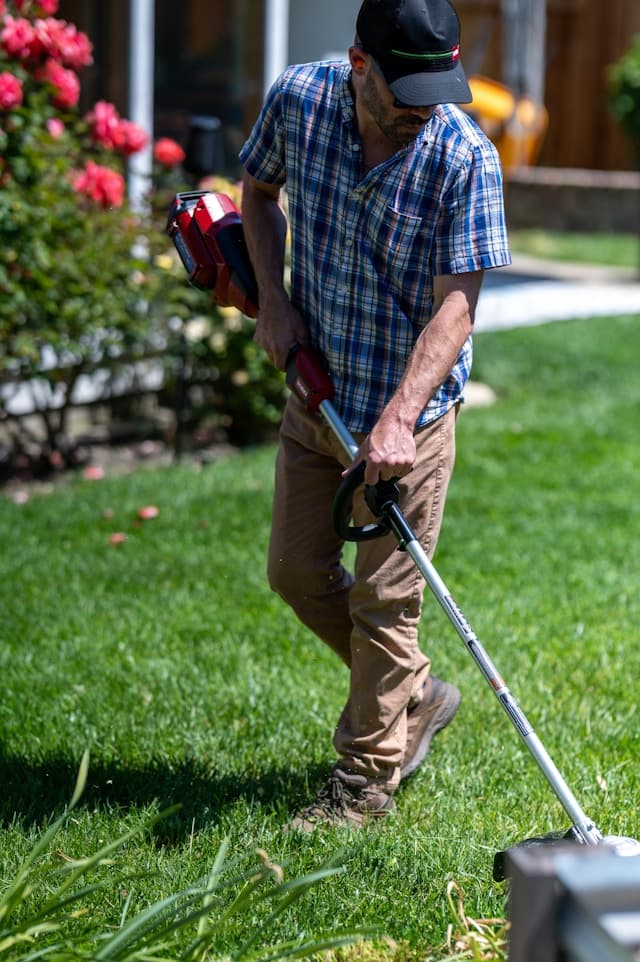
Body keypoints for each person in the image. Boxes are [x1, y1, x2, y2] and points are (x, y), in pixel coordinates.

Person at [238, 0, 511, 830]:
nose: (428, 105)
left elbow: (455, 309)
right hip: (318, 392)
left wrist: (400, 419)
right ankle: (416, 696)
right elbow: (255, 192)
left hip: (410, 421)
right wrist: (273, 305)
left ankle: (363, 783)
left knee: (386, 602)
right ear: (361, 65)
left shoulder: (465, 158)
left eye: (442, 85)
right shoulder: (301, 98)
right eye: (409, 89)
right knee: (294, 571)